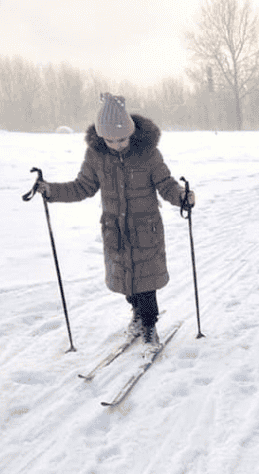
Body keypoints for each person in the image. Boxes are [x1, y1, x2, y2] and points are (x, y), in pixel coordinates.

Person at [36, 93, 195, 353]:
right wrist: (51, 191)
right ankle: (136, 314)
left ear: (131, 133)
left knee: (146, 284)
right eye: (110, 140)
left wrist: (182, 197)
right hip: (115, 231)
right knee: (127, 284)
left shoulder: (148, 154)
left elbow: (165, 184)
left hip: (146, 229)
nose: (117, 145)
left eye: (121, 139)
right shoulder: (96, 156)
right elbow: (83, 187)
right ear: (101, 137)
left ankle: (149, 326)